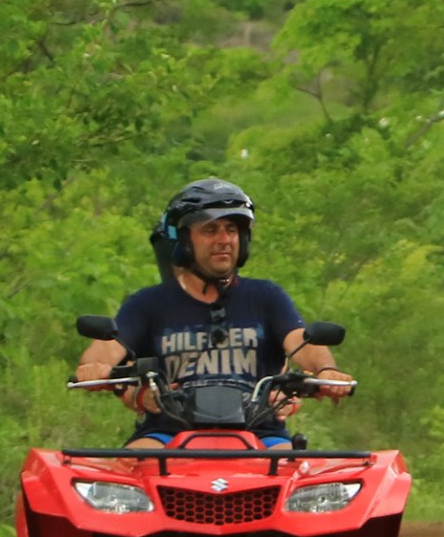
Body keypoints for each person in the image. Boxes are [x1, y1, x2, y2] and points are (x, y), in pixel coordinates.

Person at [73, 179, 350, 447]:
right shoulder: (148, 303)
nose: (224, 239)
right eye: (210, 230)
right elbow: (105, 350)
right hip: (166, 435)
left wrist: (327, 371)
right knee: (129, 471)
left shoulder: (267, 296)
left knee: (292, 473)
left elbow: (302, 342)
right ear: (184, 240)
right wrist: (95, 368)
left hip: (261, 435)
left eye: (231, 229)